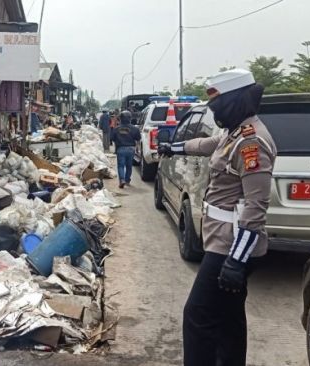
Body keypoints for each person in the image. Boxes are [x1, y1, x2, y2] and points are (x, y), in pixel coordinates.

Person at [158, 69, 277, 366]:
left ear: (235, 102)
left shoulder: (251, 142)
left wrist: (236, 261)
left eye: (218, 106)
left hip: (232, 245)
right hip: (221, 238)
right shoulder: (234, 132)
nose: (216, 113)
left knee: (197, 316)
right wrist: (173, 147)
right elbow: (207, 145)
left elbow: (256, 205)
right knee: (228, 317)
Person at [111, 110, 140, 188]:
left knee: (121, 165)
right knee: (129, 165)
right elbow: (138, 138)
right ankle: (127, 180)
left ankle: (122, 180)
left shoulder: (117, 129)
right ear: (130, 118)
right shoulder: (135, 128)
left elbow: (112, 138)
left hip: (120, 148)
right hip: (131, 149)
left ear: (120, 119)